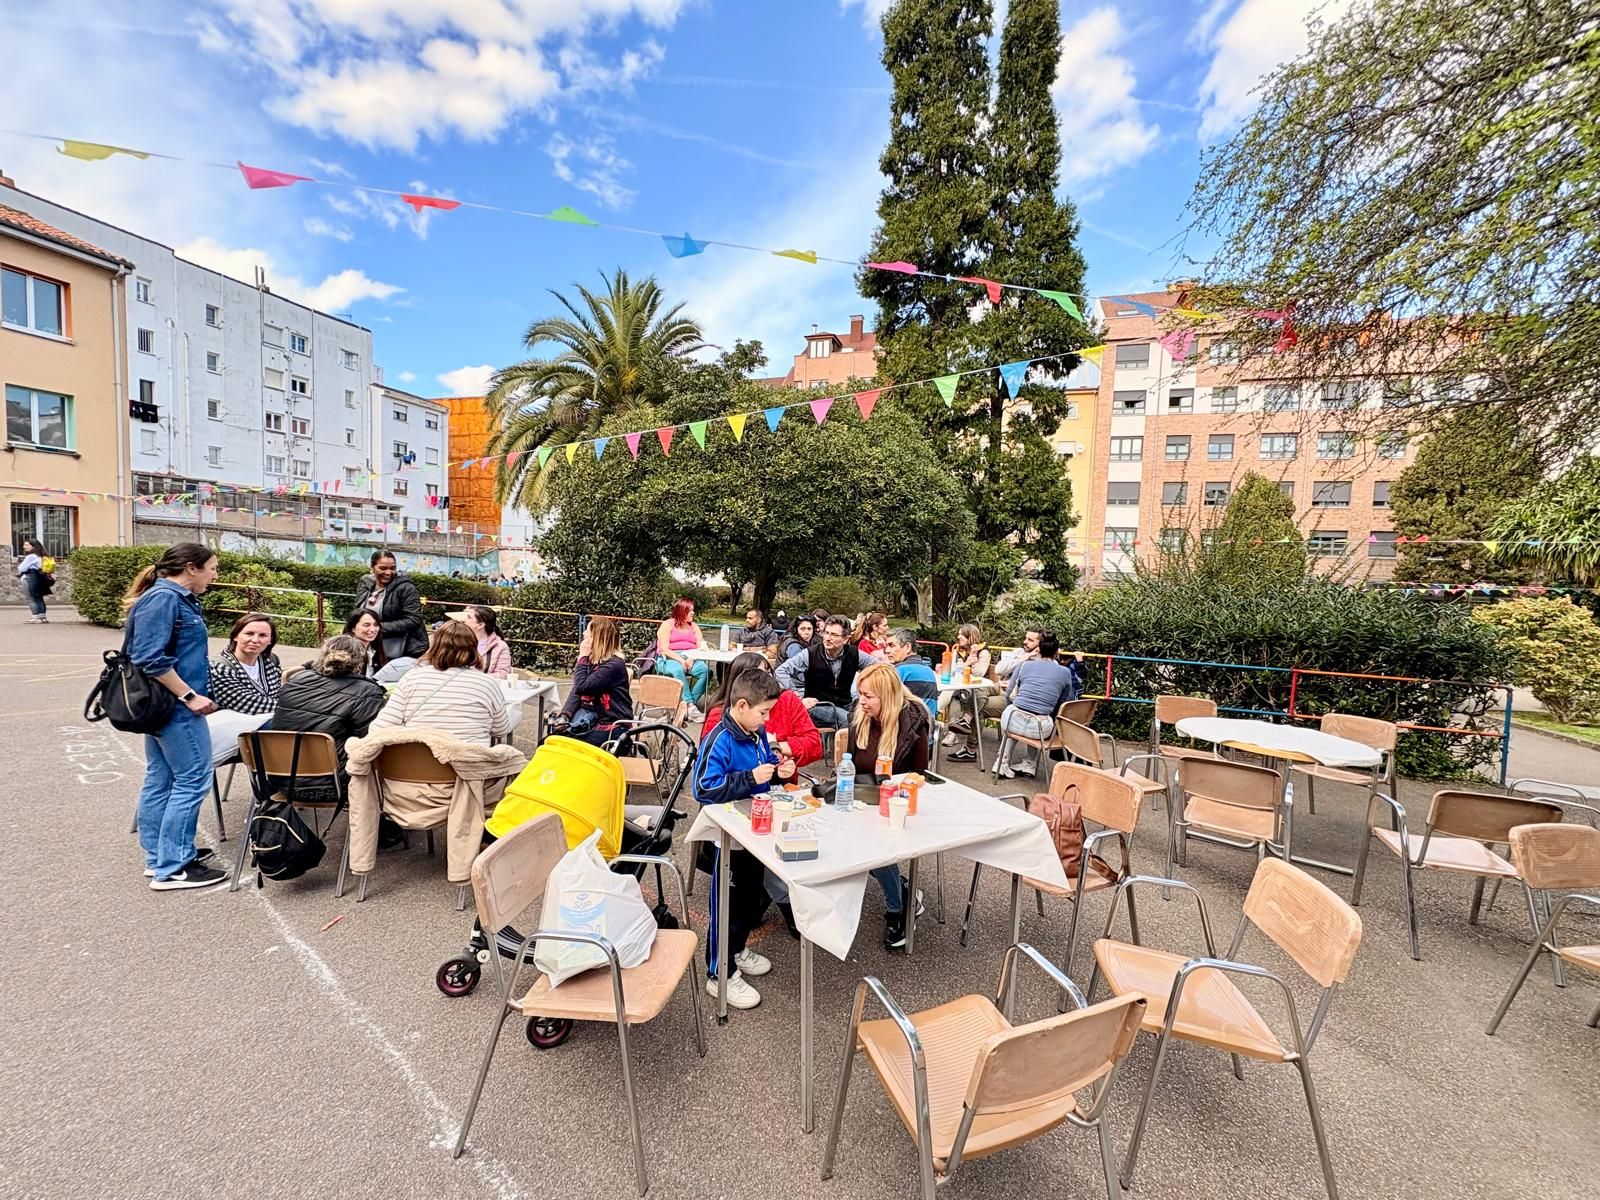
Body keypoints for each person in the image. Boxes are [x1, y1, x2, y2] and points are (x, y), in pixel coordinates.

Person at [125, 542, 227, 890]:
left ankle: (161, 857)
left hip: (166, 706)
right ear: (190, 567)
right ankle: (173, 867)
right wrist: (189, 695)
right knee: (192, 779)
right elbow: (150, 658)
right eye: (212, 567)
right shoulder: (165, 599)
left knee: (162, 778)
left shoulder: (170, 598)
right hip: (176, 707)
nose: (215, 575)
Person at [693, 669, 796, 1010]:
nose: (767, 719)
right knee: (727, 908)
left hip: (755, 832)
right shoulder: (719, 738)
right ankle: (719, 974)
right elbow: (704, 789)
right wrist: (749, 777)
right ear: (740, 705)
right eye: (764, 712)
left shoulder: (756, 731)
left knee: (749, 900)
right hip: (729, 839)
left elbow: (762, 761)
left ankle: (736, 950)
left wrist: (776, 767)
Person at [849, 663, 932, 951]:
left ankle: (897, 909)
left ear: (887, 695)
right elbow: (848, 763)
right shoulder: (859, 716)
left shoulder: (912, 721)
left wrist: (889, 791)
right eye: (860, 694)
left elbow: (920, 774)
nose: (862, 701)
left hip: (899, 802)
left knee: (874, 850)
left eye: (868, 696)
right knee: (846, 842)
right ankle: (902, 889)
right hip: (863, 794)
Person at [270, 634, 388, 806]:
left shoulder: (294, 681)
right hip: (334, 784)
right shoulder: (366, 691)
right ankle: (385, 826)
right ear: (361, 662)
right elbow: (370, 740)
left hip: (281, 778)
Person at [370, 620, 510, 747]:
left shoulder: (413, 677)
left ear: (435, 646)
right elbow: (501, 730)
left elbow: (381, 726)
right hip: (468, 768)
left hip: (413, 767)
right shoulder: (488, 684)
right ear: (474, 648)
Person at [702, 651, 823, 769]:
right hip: (737, 784)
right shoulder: (719, 714)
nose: (766, 680)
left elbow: (814, 744)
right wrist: (767, 747)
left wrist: (776, 746)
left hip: (783, 781)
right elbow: (709, 762)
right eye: (758, 676)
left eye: (768, 673)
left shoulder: (787, 699)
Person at [995, 632, 1081, 777]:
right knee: (1041, 714)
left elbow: (1010, 694)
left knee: (1013, 710)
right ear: (1056, 652)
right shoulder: (1065, 672)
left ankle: (1001, 763)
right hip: (1040, 729)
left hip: (1012, 721)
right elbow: (1065, 700)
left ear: (1038, 649)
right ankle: (1030, 765)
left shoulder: (1024, 666)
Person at [946, 628, 1041, 756]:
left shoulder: (1043, 662)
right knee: (978, 688)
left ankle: (970, 749)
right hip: (1000, 685)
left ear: (1041, 644)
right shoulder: (1019, 652)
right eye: (1025, 638)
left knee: (977, 707)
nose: (1025, 642)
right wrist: (1022, 659)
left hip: (1014, 696)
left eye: (1030, 640)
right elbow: (1000, 669)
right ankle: (965, 721)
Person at [775, 614, 878, 730]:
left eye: (834, 635)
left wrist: (868, 688)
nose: (828, 638)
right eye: (826, 633)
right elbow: (781, 671)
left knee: (872, 717)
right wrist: (797, 697)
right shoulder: (810, 654)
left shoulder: (854, 653)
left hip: (846, 702)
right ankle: (847, 747)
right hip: (818, 705)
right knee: (851, 721)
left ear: (845, 639)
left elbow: (880, 668)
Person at [556, 615, 633, 747]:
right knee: (551, 740)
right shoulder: (593, 661)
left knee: (564, 746)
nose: (584, 634)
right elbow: (576, 690)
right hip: (590, 719)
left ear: (597, 639)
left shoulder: (613, 665)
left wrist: (582, 658)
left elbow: (582, 687)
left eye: (588, 632)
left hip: (612, 726)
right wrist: (565, 715)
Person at [351, 550, 428, 661]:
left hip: (401, 650)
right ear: (372, 568)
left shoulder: (406, 588)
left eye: (392, 568)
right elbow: (357, 613)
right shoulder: (365, 582)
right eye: (383, 568)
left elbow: (413, 619)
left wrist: (375, 629)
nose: (388, 573)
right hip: (368, 646)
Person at [941, 623, 997, 760]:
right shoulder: (958, 651)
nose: (958, 636)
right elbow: (951, 671)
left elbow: (979, 673)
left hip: (986, 686)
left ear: (970, 636)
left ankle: (963, 722)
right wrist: (967, 663)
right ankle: (954, 732)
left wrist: (971, 659)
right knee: (956, 695)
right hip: (965, 686)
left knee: (974, 693)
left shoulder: (983, 651)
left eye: (961, 634)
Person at [208, 613, 283, 715]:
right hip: (234, 725)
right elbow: (247, 704)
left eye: (263, 635)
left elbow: (280, 694)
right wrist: (294, 709)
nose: (255, 640)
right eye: (249, 634)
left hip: (274, 718)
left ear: (270, 640)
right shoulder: (218, 666)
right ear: (235, 636)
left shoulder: (271, 661)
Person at [654, 596, 710, 711]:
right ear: (681, 612)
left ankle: (688, 705)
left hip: (691, 657)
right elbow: (664, 649)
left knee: (705, 671)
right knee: (677, 669)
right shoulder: (667, 625)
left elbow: (700, 647)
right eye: (690, 611)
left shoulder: (694, 626)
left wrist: (692, 658)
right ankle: (689, 704)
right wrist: (681, 660)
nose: (693, 613)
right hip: (668, 658)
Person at [884, 628, 939, 719]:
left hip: (907, 728)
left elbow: (885, 705)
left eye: (891, 645)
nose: (887, 650)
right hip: (928, 727)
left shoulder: (898, 671)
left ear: (907, 647)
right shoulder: (929, 670)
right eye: (886, 646)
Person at [462, 605, 512, 678]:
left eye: (469, 617)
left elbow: (503, 674)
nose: (464, 620)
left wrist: (476, 679)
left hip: (484, 687)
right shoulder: (459, 641)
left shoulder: (500, 646)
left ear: (480, 625)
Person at [343, 609, 387, 677]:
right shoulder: (344, 651)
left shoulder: (374, 648)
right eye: (366, 625)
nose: (373, 629)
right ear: (353, 628)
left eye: (376, 625)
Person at [16, 536, 49, 623]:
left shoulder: (31, 556)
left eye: (27, 545)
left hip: (29, 577)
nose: (24, 546)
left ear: (33, 546)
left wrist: (20, 568)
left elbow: (21, 568)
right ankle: (42, 616)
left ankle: (35, 617)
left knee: (31, 598)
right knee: (39, 597)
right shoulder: (41, 556)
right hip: (38, 577)